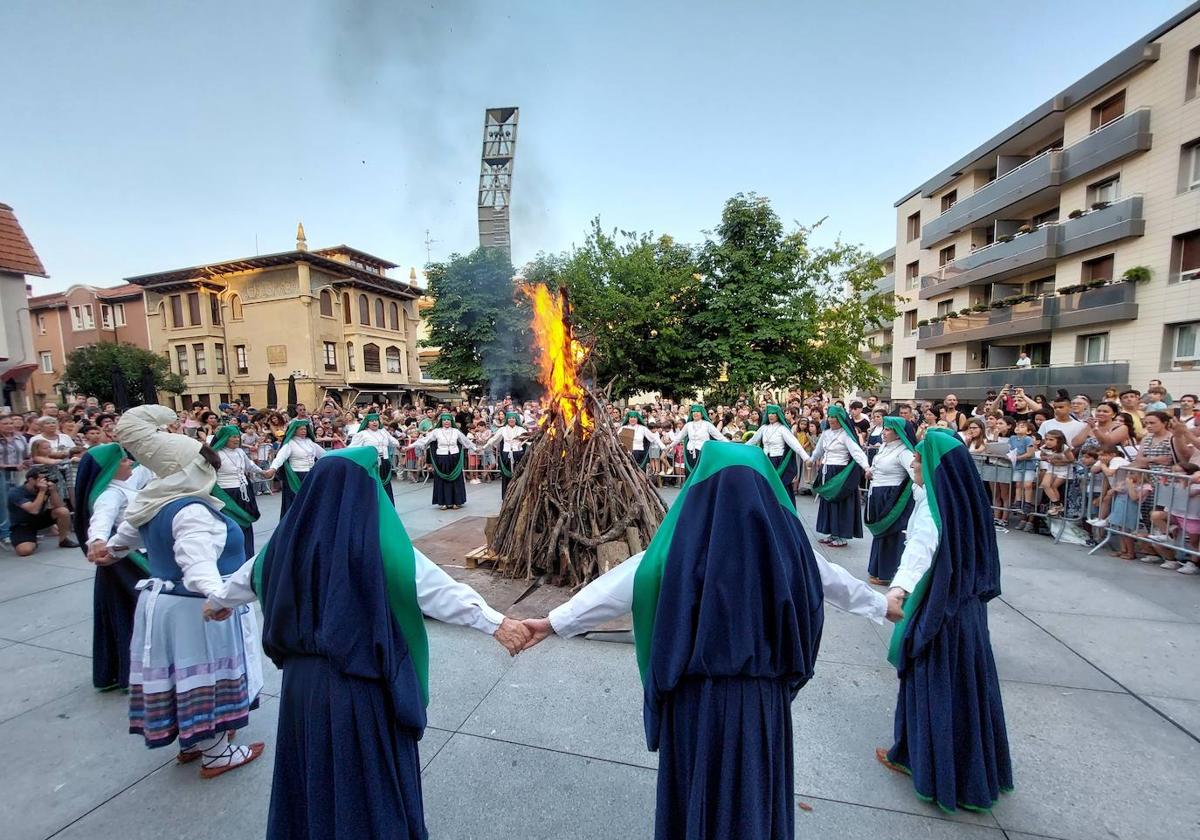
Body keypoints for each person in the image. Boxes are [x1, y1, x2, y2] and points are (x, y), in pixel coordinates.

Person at [519, 442, 895, 840]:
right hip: (761, 704)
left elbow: (626, 582)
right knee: (753, 796)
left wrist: (552, 622)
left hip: (696, 701)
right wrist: (881, 605)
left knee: (697, 792)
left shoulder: (680, 548)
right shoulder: (790, 548)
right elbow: (834, 581)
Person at [203, 447, 532, 839]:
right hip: (357, 690)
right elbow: (437, 590)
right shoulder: (378, 547)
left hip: (300, 688)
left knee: (313, 774)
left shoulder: (285, 542)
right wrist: (497, 624)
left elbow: (245, 578)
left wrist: (218, 603)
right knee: (364, 782)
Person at [103, 404, 265, 778]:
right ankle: (218, 752)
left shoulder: (154, 503)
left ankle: (192, 741)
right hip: (195, 608)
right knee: (205, 671)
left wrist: (106, 550)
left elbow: (123, 540)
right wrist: (218, 597)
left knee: (180, 672)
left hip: (162, 606)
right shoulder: (191, 510)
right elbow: (197, 565)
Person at [880, 429, 1012, 812]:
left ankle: (930, 769)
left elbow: (920, 551)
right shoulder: (961, 502)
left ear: (935, 467)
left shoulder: (935, 510)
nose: (914, 463)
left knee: (934, 682)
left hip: (940, 612)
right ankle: (968, 771)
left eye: (920, 459)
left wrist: (897, 593)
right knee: (967, 689)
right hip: (966, 613)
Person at [75, 444, 153, 690]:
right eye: (123, 461)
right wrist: (97, 540)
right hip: (127, 563)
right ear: (110, 468)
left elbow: (148, 466)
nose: (129, 463)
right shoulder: (111, 493)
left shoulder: (126, 484)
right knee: (133, 613)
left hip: (130, 556)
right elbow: (101, 518)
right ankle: (133, 671)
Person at [865, 417, 917, 585]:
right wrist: (871, 471)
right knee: (881, 534)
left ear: (898, 433)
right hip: (877, 493)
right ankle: (878, 569)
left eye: (887, 430)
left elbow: (916, 475)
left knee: (891, 534)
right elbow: (879, 465)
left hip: (892, 496)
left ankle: (889, 573)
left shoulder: (904, 452)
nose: (883, 433)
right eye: (884, 429)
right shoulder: (885, 447)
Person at [210, 425, 274, 557]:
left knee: (245, 526)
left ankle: (247, 554)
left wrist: (262, 472)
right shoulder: (216, 454)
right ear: (225, 438)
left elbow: (249, 465)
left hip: (244, 492)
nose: (236, 439)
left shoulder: (239, 452)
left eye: (237, 436)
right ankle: (232, 556)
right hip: (226, 494)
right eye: (233, 436)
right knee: (232, 525)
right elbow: (208, 474)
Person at [812, 405, 871, 548]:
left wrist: (866, 467)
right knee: (828, 503)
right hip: (827, 470)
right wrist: (811, 459)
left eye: (834, 417)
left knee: (840, 503)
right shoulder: (826, 433)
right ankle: (831, 532)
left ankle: (841, 536)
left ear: (840, 418)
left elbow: (857, 452)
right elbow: (819, 450)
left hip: (840, 472)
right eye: (830, 416)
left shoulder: (845, 435)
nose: (831, 419)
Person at [745, 404, 811, 505]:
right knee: (766, 488)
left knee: (780, 488)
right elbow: (752, 442)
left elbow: (795, 444)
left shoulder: (782, 429)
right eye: (769, 413)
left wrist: (806, 458)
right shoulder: (763, 428)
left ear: (778, 415)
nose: (771, 415)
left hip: (779, 462)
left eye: (774, 414)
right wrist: (739, 448)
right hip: (766, 461)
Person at [7, 465, 76, 555]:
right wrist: (42, 492)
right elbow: (33, 510)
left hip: (40, 518)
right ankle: (31, 541)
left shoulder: (44, 488)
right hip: (23, 524)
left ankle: (63, 540)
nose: (44, 482)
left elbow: (59, 506)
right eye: (41, 479)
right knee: (24, 551)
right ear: (31, 480)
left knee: (63, 511)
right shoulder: (16, 493)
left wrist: (53, 491)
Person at [414, 412, 476, 510]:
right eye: (444, 420)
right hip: (441, 457)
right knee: (442, 480)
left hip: (454, 457)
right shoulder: (436, 431)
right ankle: (443, 502)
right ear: (441, 421)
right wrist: (409, 446)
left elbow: (466, 441)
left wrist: (476, 448)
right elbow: (425, 440)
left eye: (448, 420)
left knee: (455, 480)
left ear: (451, 421)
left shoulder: (456, 431)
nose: (446, 421)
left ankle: (456, 501)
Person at [270, 418, 324, 517]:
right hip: (297, 476)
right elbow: (280, 458)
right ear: (294, 430)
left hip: (311, 475)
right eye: (301, 429)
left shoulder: (309, 442)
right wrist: (272, 469)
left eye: (305, 429)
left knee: (311, 502)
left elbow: (323, 454)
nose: (304, 431)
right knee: (298, 503)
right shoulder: (290, 444)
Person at [350, 413, 400, 505]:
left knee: (386, 486)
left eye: (376, 420)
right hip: (372, 464)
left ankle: (387, 506)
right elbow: (352, 448)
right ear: (367, 423)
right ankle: (373, 507)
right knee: (373, 486)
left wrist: (399, 445)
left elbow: (393, 441)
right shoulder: (362, 434)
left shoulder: (383, 432)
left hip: (384, 461)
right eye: (372, 421)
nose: (374, 422)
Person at [486, 411, 528, 498]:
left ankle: (518, 496)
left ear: (516, 419)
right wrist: (483, 447)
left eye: (513, 418)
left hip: (518, 453)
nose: (511, 420)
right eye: (509, 418)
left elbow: (528, 440)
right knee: (506, 477)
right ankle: (506, 496)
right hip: (506, 454)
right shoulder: (502, 429)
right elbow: (494, 439)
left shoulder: (521, 430)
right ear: (507, 419)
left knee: (519, 475)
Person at [677, 403, 723, 475]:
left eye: (697, 412)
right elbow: (679, 437)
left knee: (702, 473)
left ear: (702, 414)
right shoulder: (688, 425)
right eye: (693, 412)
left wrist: (730, 444)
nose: (695, 413)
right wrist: (668, 447)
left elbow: (719, 437)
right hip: (690, 453)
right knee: (689, 473)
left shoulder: (707, 424)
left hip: (703, 453)